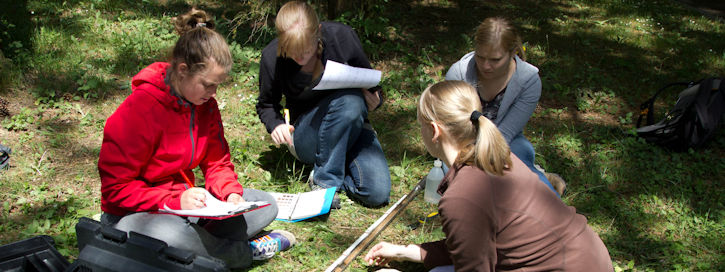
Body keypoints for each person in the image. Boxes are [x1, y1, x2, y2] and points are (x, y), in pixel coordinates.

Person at [97, 8, 294, 269]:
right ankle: (241, 253)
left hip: (187, 206)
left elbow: (217, 163)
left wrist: (231, 195)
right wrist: (172, 201)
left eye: (218, 85)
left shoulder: (205, 106)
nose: (213, 93)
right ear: (182, 70)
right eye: (208, 84)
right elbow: (116, 190)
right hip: (138, 214)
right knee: (171, 235)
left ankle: (197, 249)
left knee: (266, 205)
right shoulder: (139, 111)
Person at [363, 81, 613, 271]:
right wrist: (408, 251)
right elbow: (474, 242)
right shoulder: (497, 157)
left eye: (420, 125)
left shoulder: (461, 198)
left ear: (434, 131)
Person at [256, 1, 391, 207]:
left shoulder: (341, 37)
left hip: (352, 124)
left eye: (306, 48)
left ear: (318, 32)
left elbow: (370, 82)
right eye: (292, 49)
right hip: (306, 134)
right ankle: (324, 184)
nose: (300, 55)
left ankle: (332, 161)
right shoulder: (271, 56)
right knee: (350, 100)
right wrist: (276, 125)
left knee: (376, 193)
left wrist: (376, 99)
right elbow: (266, 104)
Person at [445, 17, 565, 196]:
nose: (486, 66)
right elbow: (451, 127)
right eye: (480, 57)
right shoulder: (458, 73)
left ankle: (544, 188)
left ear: (513, 53)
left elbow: (505, 135)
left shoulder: (529, 81)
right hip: (463, 143)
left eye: (495, 60)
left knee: (536, 186)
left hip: (506, 143)